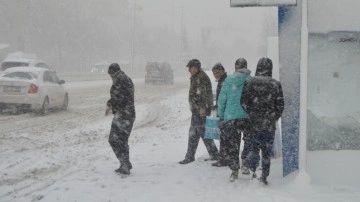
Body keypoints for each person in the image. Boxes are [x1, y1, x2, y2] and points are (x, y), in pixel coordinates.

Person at [240, 57, 284, 185]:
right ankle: (264, 175)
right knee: (266, 151)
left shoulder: (249, 82)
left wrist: (251, 112)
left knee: (253, 149)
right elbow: (280, 105)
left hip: (253, 123)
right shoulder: (275, 84)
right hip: (268, 125)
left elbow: (243, 102)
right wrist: (273, 116)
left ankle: (255, 171)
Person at [179, 59, 219, 164]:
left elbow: (205, 95)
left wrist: (203, 109)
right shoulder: (196, 77)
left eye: (190, 67)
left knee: (195, 134)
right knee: (200, 133)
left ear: (196, 67)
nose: (189, 70)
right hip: (197, 111)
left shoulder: (201, 78)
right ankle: (213, 154)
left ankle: (190, 156)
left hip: (200, 112)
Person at [217, 58, 252, 182]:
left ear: (236, 67)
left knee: (233, 144)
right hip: (247, 117)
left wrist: (221, 116)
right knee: (248, 141)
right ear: (246, 67)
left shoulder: (228, 81)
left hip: (231, 117)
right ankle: (246, 164)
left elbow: (221, 100)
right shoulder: (251, 80)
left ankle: (234, 170)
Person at [105, 63, 136, 175]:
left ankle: (125, 164)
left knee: (114, 140)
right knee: (122, 141)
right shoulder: (125, 78)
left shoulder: (119, 79)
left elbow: (118, 97)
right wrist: (111, 104)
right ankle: (125, 163)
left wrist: (110, 104)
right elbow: (120, 96)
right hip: (128, 114)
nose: (110, 77)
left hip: (123, 115)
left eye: (110, 74)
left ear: (113, 72)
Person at [210, 63, 228, 167]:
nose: (215, 74)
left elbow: (223, 98)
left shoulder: (224, 81)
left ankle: (224, 159)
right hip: (223, 112)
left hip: (224, 114)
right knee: (224, 137)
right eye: (214, 73)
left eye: (217, 72)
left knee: (224, 137)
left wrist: (219, 108)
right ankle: (224, 158)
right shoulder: (222, 81)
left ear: (222, 71)